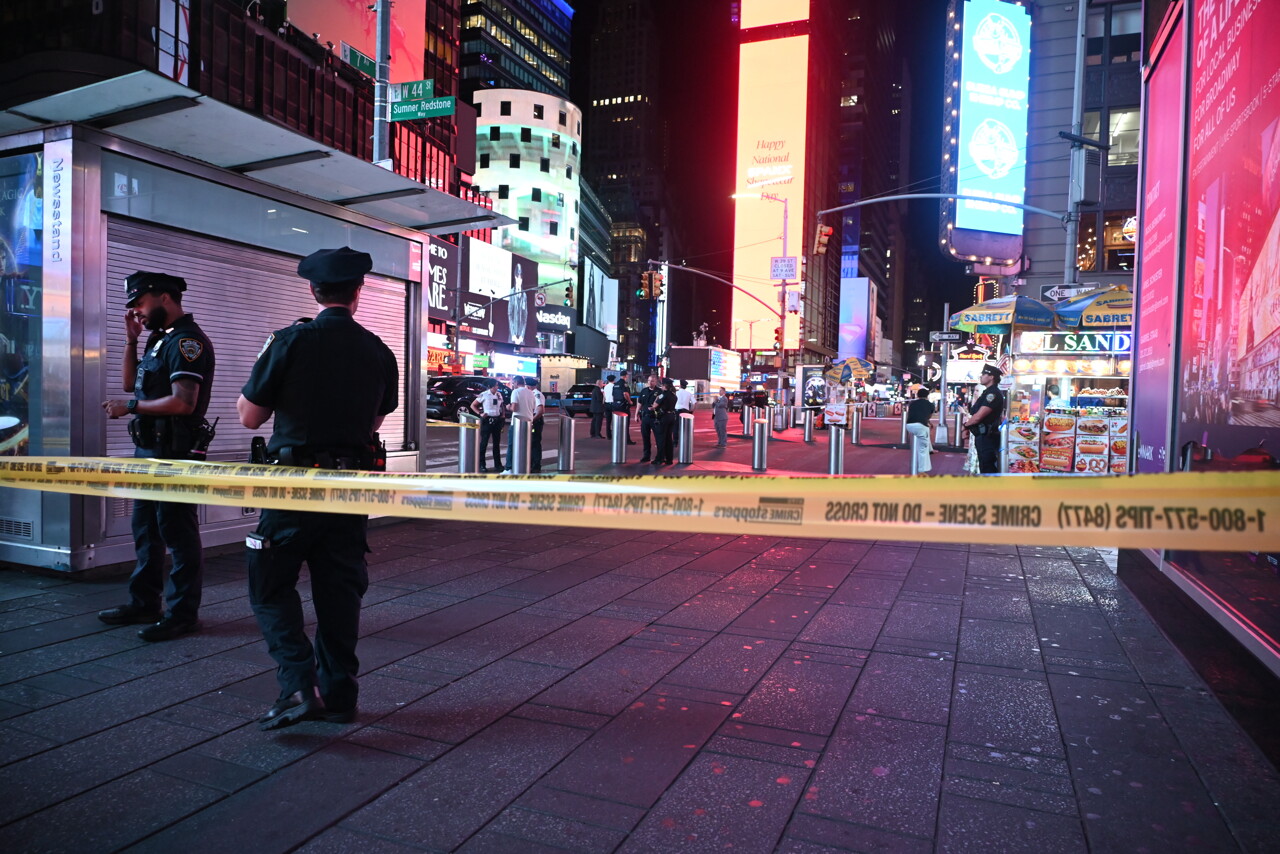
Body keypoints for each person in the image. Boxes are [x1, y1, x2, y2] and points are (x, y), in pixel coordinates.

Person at [237, 246, 398, 730]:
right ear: (358, 291)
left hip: (291, 489)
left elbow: (249, 417)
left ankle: (296, 686)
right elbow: (374, 422)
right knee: (340, 593)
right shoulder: (379, 351)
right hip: (348, 490)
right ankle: (340, 695)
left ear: (312, 289)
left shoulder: (289, 341)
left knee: (269, 586)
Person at [99, 271, 216, 642]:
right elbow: (127, 383)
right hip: (150, 450)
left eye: (139, 303)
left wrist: (131, 407)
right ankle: (145, 603)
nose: (136, 311)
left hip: (176, 452)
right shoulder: (156, 341)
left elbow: (184, 402)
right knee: (146, 531)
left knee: (178, 534)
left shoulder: (187, 342)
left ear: (164, 298)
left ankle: (183, 614)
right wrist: (131, 342)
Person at [963, 364, 1006, 474]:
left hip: (987, 435)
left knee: (987, 466)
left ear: (991, 377)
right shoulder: (988, 392)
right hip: (983, 434)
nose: (981, 377)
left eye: (983, 374)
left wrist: (965, 427)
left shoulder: (992, 394)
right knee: (985, 464)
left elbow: (978, 417)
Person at [470, 378, 506, 472]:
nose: (497, 387)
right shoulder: (484, 394)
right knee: (484, 443)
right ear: (491, 386)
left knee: (496, 444)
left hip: (497, 420)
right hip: (487, 420)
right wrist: (480, 413)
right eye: (496, 385)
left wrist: (503, 415)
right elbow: (473, 405)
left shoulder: (499, 394)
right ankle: (482, 465)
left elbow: (501, 405)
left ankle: (498, 465)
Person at [506, 374, 537, 472]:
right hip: (528, 422)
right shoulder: (531, 393)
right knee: (525, 446)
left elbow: (514, 408)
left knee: (511, 445)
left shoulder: (515, 392)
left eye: (513, 383)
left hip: (516, 423)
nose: (512, 385)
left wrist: (508, 407)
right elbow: (533, 408)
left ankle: (509, 468)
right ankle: (524, 466)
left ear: (516, 382)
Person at [905, 388, 934, 474]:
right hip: (921, 426)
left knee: (925, 432)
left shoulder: (912, 403)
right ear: (927, 395)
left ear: (917, 395)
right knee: (923, 449)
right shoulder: (930, 404)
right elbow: (928, 415)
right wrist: (928, 422)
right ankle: (922, 470)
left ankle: (930, 448)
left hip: (909, 425)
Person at [653, 377, 678, 465]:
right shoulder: (673, 395)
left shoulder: (663, 394)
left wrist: (654, 403)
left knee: (661, 438)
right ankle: (669, 459)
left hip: (664, 417)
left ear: (664, 386)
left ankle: (659, 458)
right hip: (671, 416)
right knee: (669, 438)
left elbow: (655, 405)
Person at [636, 373, 659, 462]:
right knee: (645, 437)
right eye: (649, 381)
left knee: (658, 438)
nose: (650, 383)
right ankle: (646, 456)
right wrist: (636, 414)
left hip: (655, 417)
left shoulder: (659, 392)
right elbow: (640, 402)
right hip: (645, 417)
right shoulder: (644, 391)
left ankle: (659, 456)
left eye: (652, 381)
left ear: (656, 382)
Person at [525, 376, 545, 473]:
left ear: (528, 386)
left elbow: (540, 410)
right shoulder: (532, 394)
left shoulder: (536, 394)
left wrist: (532, 420)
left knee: (535, 443)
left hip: (535, 421)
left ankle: (536, 466)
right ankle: (532, 464)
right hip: (533, 419)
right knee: (532, 443)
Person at [616, 369, 636, 444]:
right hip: (623, 406)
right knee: (625, 424)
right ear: (625, 376)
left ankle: (618, 439)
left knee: (617, 423)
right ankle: (627, 440)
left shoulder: (616, 384)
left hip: (616, 405)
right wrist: (630, 401)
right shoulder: (624, 384)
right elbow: (625, 393)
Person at [602, 375, 617, 439]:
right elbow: (614, 395)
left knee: (608, 421)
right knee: (615, 420)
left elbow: (604, 396)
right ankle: (614, 434)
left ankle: (608, 435)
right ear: (614, 379)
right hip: (613, 404)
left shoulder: (605, 387)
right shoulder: (614, 386)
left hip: (606, 404)